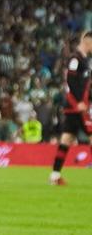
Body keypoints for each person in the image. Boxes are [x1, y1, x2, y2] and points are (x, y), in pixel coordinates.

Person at [50, 30, 92, 186]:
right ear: (88, 42)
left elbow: (84, 85)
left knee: (66, 139)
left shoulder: (85, 60)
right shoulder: (75, 58)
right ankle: (54, 175)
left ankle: (55, 175)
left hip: (77, 107)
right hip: (77, 107)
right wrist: (80, 102)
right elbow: (70, 80)